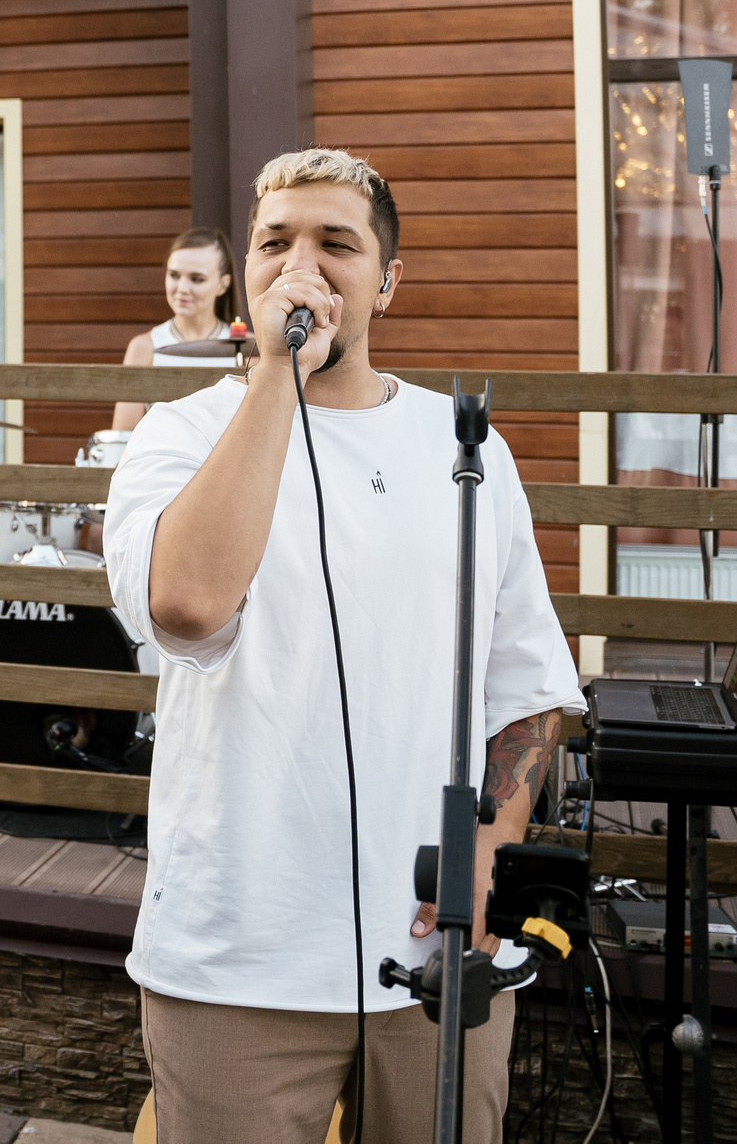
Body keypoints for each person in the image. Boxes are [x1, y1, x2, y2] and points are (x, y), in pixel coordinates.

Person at [104, 149, 584, 1144]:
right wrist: (277, 373)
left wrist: (486, 857)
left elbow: (527, 682)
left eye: (336, 244)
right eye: (275, 242)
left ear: (388, 280)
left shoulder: (466, 448)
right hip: (237, 954)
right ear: (243, 272)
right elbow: (189, 606)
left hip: (437, 955)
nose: (303, 266)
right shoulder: (177, 434)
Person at [110, 225, 240, 431]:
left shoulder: (247, 347)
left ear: (223, 285)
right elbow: (123, 435)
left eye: (197, 279)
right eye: (174, 275)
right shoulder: (144, 347)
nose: (182, 288)